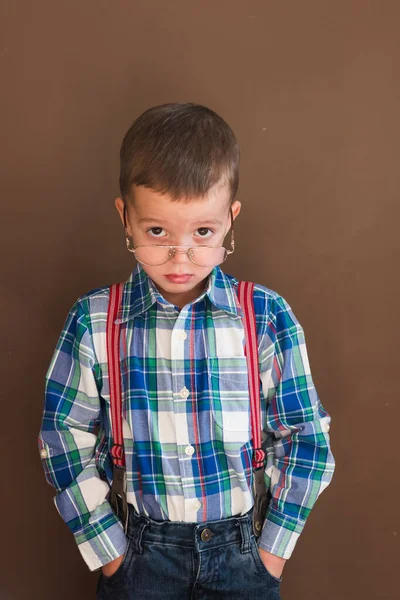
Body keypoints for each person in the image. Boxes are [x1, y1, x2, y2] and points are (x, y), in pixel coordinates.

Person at [38, 102, 335, 599]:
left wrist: (271, 558)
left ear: (229, 220)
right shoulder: (93, 320)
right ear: (125, 217)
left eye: (203, 232)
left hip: (243, 555)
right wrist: (111, 554)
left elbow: (305, 437)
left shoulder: (264, 316)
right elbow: (63, 436)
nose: (181, 256)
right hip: (137, 558)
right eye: (158, 232)